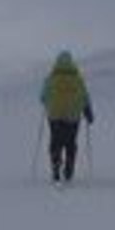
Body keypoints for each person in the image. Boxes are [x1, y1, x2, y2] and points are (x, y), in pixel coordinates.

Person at [40, 51, 94, 183]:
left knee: (55, 141)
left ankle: (56, 167)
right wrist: (88, 112)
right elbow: (85, 96)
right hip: (73, 116)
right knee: (70, 143)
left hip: (55, 116)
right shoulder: (77, 79)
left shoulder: (51, 78)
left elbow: (42, 97)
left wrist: (48, 104)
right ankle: (69, 169)